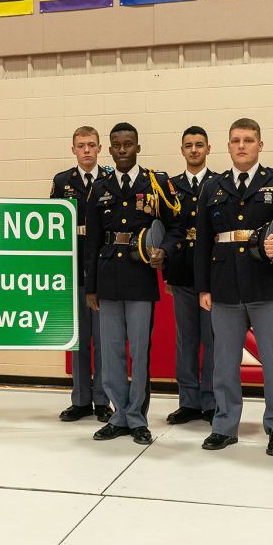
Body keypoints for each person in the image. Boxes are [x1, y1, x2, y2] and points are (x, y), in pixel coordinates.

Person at [196, 118, 273, 455]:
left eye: (248, 140)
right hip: (224, 287)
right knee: (224, 361)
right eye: (236, 140)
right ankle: (225, 424)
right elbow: (203, 241)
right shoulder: (213, 187)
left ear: (260, 145)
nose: (242, 145)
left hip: (268, 286)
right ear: (228, 146)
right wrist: (204, 287)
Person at [84, 123, 181, 445]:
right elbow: (93, 239)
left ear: (138, 147)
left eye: (128, 144)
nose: (122, 149)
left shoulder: (155, 183)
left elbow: (176, 227)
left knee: (139, 351)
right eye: (117, 145)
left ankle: (137, 418)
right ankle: (118, 416)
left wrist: (163, 252)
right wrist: (91, 287)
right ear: (109, 150)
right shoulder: (100, 188)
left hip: (140, 276)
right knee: (110, 352)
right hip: (108, 275)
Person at [51, 126, 113, 424]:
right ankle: (80, 400)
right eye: (81, 146)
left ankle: (102, 399)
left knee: (103, 339)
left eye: (91, 145)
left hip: (102, 268)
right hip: (74, 268)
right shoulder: (63, 181)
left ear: (100, 148)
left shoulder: (110, 179)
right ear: (73, 149)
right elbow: (52, 227)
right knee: (79, 339)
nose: (86, 150)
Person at [165, 126, 218, 425]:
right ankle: (188, 401)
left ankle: (210, 401)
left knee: (212, 340)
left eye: (199, 145)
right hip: (183, 274)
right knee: (186, 339)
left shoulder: (220, 184)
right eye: (189, 145)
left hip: (212, 277)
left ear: (208, 148)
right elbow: (167, 232)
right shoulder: (171, 187)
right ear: (182, 150)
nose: (194, 150)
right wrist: (167, 275)